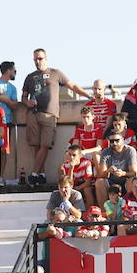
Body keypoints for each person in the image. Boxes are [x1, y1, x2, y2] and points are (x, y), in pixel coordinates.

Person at [23, 48, 90, 177]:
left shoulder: (56, 73)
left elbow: (73, 86)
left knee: (45, 144)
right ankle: (40, 175)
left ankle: (34, 173)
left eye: (40, 58)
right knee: (35, 145)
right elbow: (24, 97)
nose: (37, 61)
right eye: (35, 59)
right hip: (33, 113)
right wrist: (27, 102)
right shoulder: (30, 77)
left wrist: (88, 96)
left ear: (46, 58)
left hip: (49, 114)